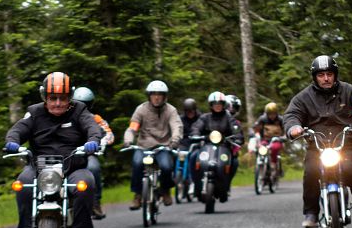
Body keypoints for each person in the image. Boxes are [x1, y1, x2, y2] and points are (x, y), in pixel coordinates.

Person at [5, 72, 103, 228]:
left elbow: (92, 127)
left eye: (63, 98)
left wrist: (93, 141)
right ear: (45, 97)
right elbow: (18, 129)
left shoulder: (79, 110)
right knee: (22, 184)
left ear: (70, 98)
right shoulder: (34, 112)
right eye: (53, 98)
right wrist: (12, 142)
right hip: (38, 167)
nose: (58, 103)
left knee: (86, 183)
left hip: (72, 166)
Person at [283, 55, 352, 228]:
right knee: (311, 172)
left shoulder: (350, 91)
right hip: (316, 146)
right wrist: (293, 127)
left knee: (349, 167)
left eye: (329, 74)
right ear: (315, 77)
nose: (325, 78)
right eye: (321, 75)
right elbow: (291, 115)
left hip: (344, 143)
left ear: (335, 74)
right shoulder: (303, 97)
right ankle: (311, 213)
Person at [123, 80, 183, 210]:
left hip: (163, 146)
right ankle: (137, 195)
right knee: (137, 163)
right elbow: (132, 128)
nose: (156, 97)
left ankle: (165, 190)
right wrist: (128, 140)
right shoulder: (141, 109)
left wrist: (174, 141)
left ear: (164, 96)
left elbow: (176, 126)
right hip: (143, 146)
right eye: (153, 94)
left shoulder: (171, 110)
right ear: (149, 96)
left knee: (167, 166)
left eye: (160, 94)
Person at [190, 91, 244, 201]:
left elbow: (236, 129)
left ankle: (226, 186)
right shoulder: (205, 117)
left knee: (234, 161)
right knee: (193, 156)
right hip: (206, 146)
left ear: (224, 105)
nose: (217, 106)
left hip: (224, 147)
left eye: (220, 104)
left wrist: (238, 138)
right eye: (215, 104)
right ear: (211, 105)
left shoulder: (229, 118)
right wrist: (195, 135)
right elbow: (196, 127)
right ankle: (196, 185)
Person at [72, 87, 115, 220]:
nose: (81, 106)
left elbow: (109, 133)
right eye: (78, 102)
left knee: (93, 168)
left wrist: (100, 143)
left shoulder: (95, 118)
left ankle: (95, 203)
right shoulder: (66, 116)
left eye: (85, 103)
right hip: (67, 153)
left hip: (88, 153)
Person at [252, 102, 285, 175]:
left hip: (277, 140)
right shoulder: (262, 119)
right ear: (267, 113)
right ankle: (259, 165)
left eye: (273, 113)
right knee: (260, 148)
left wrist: (284, 137)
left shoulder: (280, 120)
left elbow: (285, 130)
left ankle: (274, 164)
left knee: (274, 148)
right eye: (270, 114)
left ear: (276, 113)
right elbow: (255, 128)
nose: (272, 116)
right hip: (265, 140)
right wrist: (255, 135)